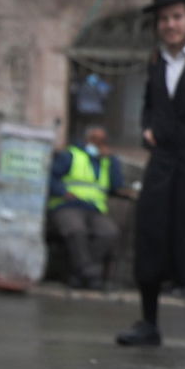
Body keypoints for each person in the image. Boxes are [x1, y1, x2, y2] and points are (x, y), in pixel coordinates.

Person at [115, 0, 185, 349]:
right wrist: (147, 127)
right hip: (162, 165)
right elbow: (150, 103)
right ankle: (148, 322)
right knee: (150, 236)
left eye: (176, 16)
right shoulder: (156, 62)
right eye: (163, 19)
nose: (169, 25)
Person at [47, 124, 127, 290]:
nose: (97, 144)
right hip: (67, 205)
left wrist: (113, 161)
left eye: (101, 141)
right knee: (76, 230)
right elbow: (51, 177)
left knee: (109, 232)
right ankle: (90, 273)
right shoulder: (71, 155)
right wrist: (62, 191)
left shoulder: (106, 161)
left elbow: (116, 185)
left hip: (94, 209)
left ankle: (80, 273)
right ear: (86, 140)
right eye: (94, 140)